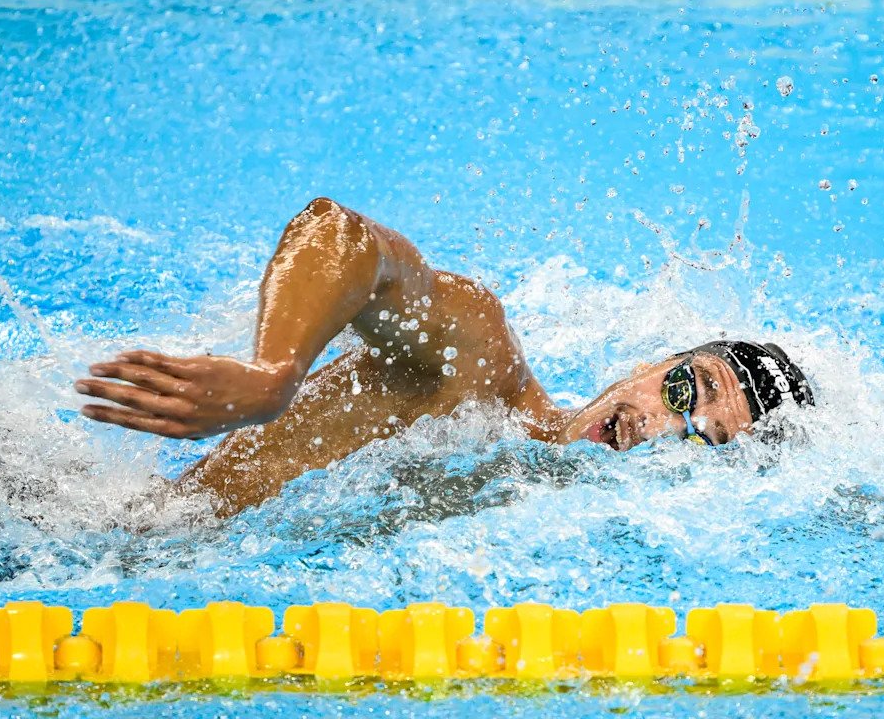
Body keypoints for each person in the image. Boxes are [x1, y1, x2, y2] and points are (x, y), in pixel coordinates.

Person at [74, 198, 814, 517]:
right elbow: (341, 236)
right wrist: (275, 375)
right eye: (685, 390)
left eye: (704, 443)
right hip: (62, 526)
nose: (657, 426)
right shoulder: (481, 369)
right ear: (650, 365)